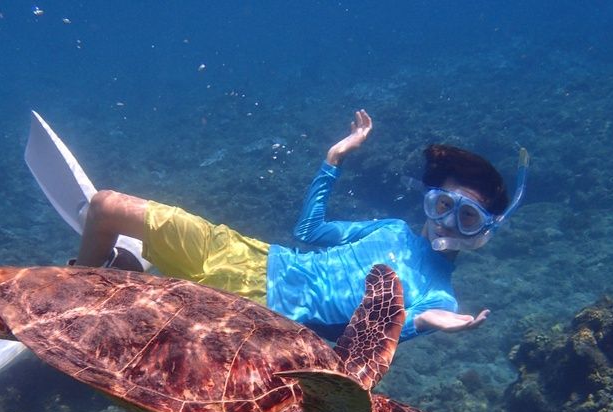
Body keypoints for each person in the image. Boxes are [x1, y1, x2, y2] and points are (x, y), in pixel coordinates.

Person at [76, 109, 528, 342]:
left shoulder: (438, 296)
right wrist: (333, 160)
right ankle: (82, 283)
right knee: (105, 205)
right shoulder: (389, 229)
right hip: (248, 257)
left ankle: (122, 276)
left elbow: (378, 333)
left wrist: (426, 323)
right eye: (443, 203)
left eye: (467, 216)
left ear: (483, 234)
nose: (447, 221)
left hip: (251, 321)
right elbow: (308, 232)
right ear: (429, 201)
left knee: (145, 326)